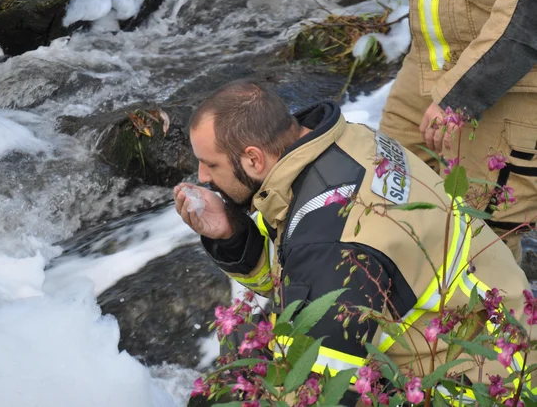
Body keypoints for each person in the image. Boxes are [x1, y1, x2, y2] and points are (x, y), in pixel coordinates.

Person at [174, 80, 533, 400]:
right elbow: (292, 272)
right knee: (247, 345)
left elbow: (323, 392)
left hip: (484, 386)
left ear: (252, 158)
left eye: (211, 164)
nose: (203, 176)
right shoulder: (346, 142)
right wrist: (233, 234)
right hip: (509, 331)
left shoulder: (329, 241)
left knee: (228, 387)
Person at [356, 0, 537, 261]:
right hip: (430, 63)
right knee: (383, 205)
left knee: (478, 245)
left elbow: (528, 18)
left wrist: (458, 99)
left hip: (508, 84)